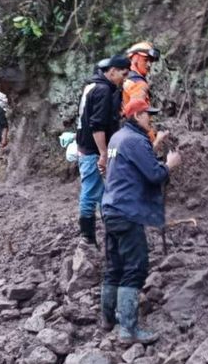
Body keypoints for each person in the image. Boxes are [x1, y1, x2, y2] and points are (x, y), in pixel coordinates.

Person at [100, 97, 182, 345]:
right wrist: (169, 165)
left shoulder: (118, 137)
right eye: (148, 115)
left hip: (111, 208)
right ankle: (128, 329)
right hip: (127, 211)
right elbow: (154, 174)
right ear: (136, 116)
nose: (151, 119)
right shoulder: (135, 140)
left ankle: (108, 319)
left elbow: (134, 163)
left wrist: (154, 146)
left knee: (114, 266)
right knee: (134, 268)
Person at [76, 56, 131, 246]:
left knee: (102, 191)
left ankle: (111, 232)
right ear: (112, 71)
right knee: (91, 191)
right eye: (124, 74)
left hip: (86, 146)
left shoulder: (92, 85)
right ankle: (87, 237)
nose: (125, 78)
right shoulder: (103, 90)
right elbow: (97, 125)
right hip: (93, 149)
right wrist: (103, 153)